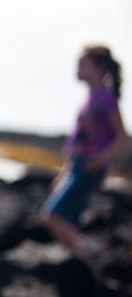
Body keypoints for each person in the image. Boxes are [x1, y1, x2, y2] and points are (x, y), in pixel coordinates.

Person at [42, 46, 128, 257]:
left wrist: (100, 160)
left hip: (89, 168)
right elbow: (78, 142)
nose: (77, 69)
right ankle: (76, 263)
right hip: (78, 167)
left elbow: (123, 138)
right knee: (67, 222)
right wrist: (64, 174)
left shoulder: (106, 99)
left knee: (52, 216)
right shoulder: (90, 99)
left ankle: (79, 261)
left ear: (100, 68)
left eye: (83, 64)